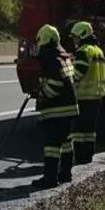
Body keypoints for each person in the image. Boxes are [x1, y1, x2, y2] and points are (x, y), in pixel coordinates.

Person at [32, 24, 80, 189]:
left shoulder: (50, 57)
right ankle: (65, 174)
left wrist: (41, 92)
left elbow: (54, 85)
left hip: (56, 110)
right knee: (66, 143)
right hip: (69, 108)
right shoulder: (64, 56)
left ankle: (50, 178)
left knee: (51, 145)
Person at [69, 21, 105, 165]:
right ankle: (88, 156)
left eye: (75, 37)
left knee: (79, 131)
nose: (74, 40)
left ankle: (79, 157)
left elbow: (77, 74)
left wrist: (67, 70)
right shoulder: (98, 50)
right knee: (90, 130)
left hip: (83, 96)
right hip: (97, 96)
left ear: (83, 35)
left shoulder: (83, 51)